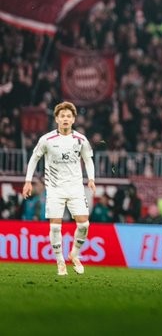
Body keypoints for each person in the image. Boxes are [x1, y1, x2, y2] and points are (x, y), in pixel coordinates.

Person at [22, 101, 96, 275]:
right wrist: (27, 181)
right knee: (55, 227)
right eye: (62, 116)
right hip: (55, 189)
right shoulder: (46, 140)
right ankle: (60, 261)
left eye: (69, 116)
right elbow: (34, 158)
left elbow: (88, 159)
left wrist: (91, 179)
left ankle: (74, 254)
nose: (65, 119)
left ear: (73, 119)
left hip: (76, 188)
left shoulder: (81, 139)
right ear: (56, 119)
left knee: (84, 224)